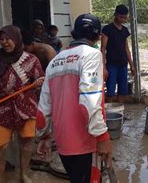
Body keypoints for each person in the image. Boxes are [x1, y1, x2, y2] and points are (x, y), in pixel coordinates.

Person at [36, 13, 112, 183]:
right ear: (97, 36)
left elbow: (43, 109)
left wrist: (44, 136)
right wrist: (102, 136)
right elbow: (89, 102)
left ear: (74, 33)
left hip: (63, 145)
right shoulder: (91, 55)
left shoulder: (55, 61)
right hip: (85, 142)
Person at [0, 25, 44, 183]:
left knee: (26, 143)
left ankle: (24, 174)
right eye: (1, 39)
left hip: (27, 108)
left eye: (8, 38)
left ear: (17, 39)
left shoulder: (31, 60)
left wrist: (40, 81)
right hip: (2, 109)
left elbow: (40, 81)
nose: (4, 42)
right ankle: (0, 178)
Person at [101, 4, 136, 103]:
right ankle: (109, 115)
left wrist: (131, 65)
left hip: (123, 65)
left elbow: (126, 48)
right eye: (121, 17)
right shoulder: (107, 29)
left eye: (125, 17)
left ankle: (119, 114)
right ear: (115, 15)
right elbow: (103, 49)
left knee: (122, 92)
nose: (123, 19)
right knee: (111, 92)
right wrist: (103, 67)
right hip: (111, 65)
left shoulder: (124, 30)